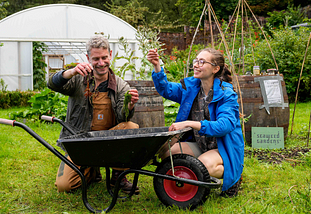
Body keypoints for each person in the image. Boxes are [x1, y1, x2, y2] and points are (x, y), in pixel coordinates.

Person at [47, 35, 140, 194]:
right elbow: (51, 84)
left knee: (131, 126)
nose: (101, 63)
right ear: (88, 57)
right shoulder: (78, 80)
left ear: (110, 54)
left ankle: (117, 175)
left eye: (104, 57)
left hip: (107, 142)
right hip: (80, 143)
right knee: (64, 186)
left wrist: (129, 106)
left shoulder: (120, 85)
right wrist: (70, 72)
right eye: (96, 59)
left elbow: (122, 118)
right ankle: (91, 171)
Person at [147, 48, 244, 197]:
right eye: (196, 61)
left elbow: (225, 126)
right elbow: (166, 89)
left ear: (215, 69)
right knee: (168, 154)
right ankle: (190, 180)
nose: (196, 65)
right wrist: (156, 66)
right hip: (200, 144)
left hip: (223, 147)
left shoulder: (226, 94)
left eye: (202, 62)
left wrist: (191, 123)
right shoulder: (191, 89)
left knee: (202, 166)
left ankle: (234, 174)